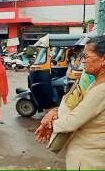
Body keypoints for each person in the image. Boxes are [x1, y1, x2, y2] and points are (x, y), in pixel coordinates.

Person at [35, 36, 105, 170]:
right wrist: (54, 112)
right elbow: (75, 107)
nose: (83, 61)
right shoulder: (95, 83)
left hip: (88, 159)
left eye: (87, 57)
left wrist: (48, 124)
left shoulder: (101, 90)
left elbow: (72, 121)